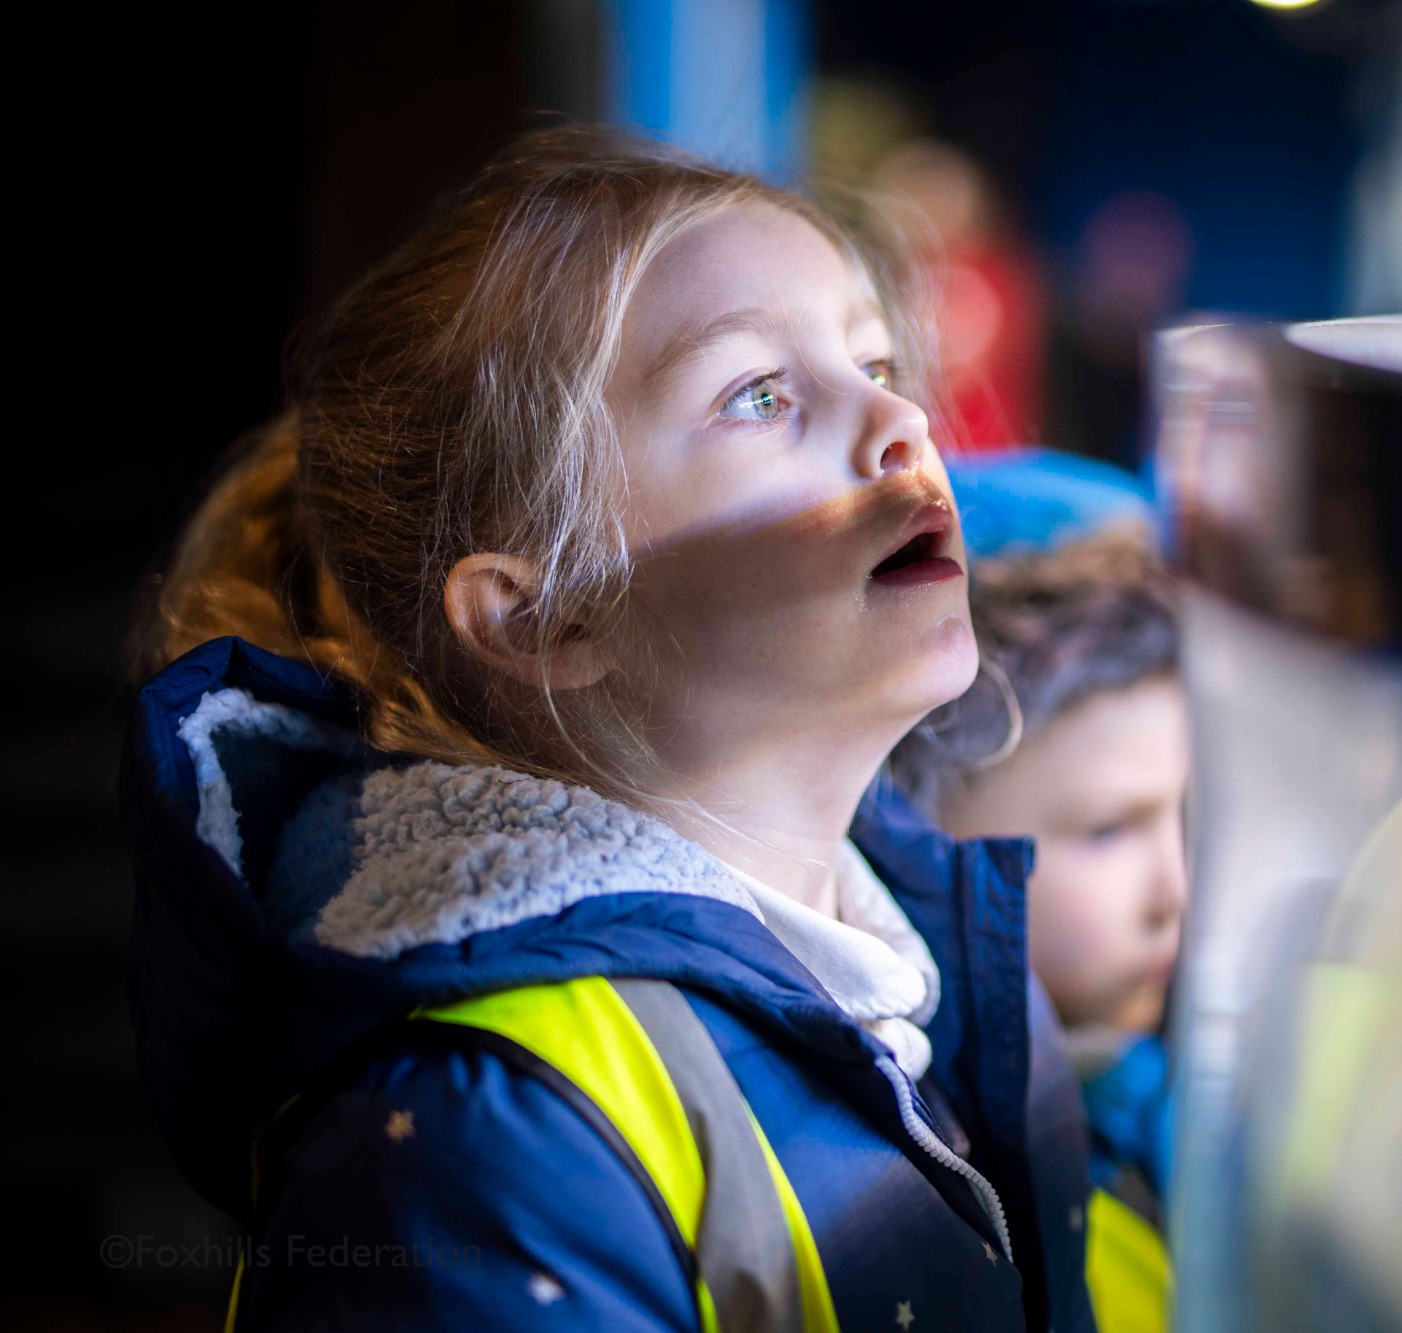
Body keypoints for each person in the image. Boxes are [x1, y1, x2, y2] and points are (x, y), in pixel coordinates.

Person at [122, 126, 1096, 1332]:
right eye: (759, 396)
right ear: (546, 617)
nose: (899, 422)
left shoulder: (922, 953)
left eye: (875, 358)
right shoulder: (485, 1134)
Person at [889, 451, 1187, 1333]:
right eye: (1108, 829)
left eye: (1183, 815)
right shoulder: (933, 1196)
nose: (1175, 887)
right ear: (920, 831)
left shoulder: (1164, 1098)